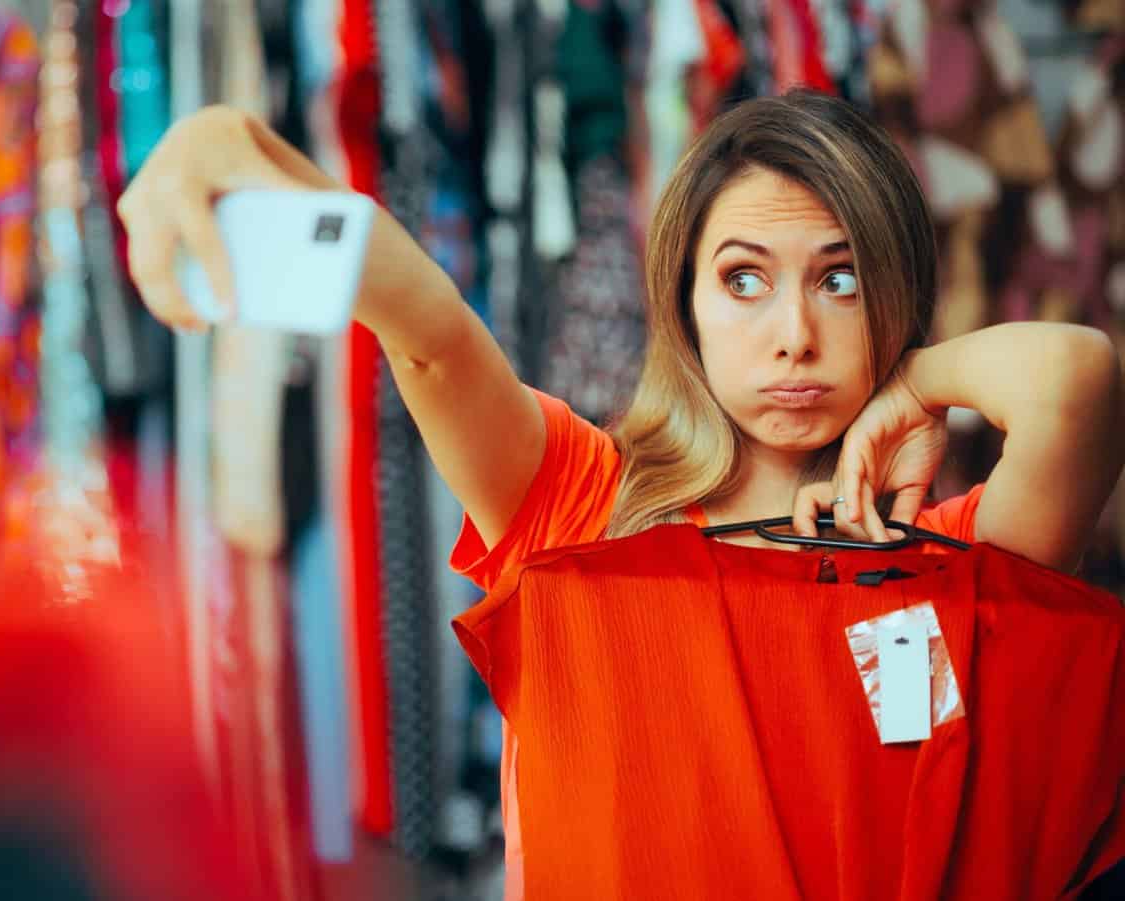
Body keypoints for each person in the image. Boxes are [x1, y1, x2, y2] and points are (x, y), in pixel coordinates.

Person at [116, 90, 1125, 893]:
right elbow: (426, 332)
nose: (793, 334)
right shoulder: (582, 506)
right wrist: (223, 137)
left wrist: (915, 380)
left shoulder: (946, 560)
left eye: (842, 279)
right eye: (741, 279)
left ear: (899, 292)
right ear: (681, 301)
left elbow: (1078, 379)